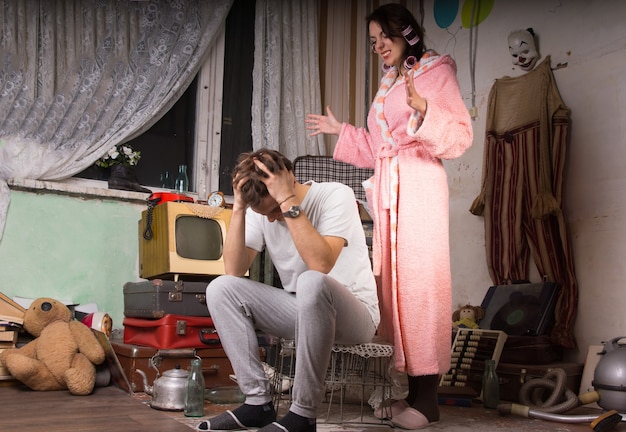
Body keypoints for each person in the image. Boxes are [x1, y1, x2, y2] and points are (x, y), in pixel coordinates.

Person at [306, 3, 472, 429]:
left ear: (408, 34)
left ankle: (428, 401)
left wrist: (425, 111)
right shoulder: (387, 83)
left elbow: (459, 136)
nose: (379, 46)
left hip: (418, 188)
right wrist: (339, 130)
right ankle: (411, 394)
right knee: (393, 293)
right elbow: (376, 148)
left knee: (420, 288)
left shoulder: (436, 71)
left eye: (385, 37)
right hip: (390, 191)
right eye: (373, 41)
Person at [197, 149, 380, 432]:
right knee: (222, 288)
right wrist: (239, 209)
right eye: (263, 214)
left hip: (355, 315)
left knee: (312, 280)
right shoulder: (262, 213)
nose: (271, 219)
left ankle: (303, 415)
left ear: (289, 180)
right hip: (303, 311)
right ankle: (258, 403)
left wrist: (285, 202)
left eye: (272, 211)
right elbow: (233, 269)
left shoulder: (335, 195)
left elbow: (320, 263)